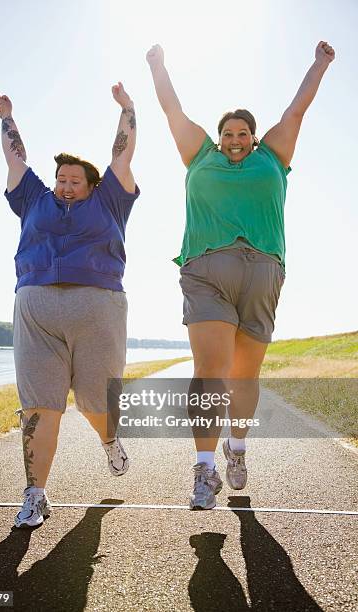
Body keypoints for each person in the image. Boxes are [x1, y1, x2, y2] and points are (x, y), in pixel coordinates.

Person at [146, 41, 335, 509]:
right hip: (206, 270)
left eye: (242, 133)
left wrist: (319, 64)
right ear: (218, 136)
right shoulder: (200, 157)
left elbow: (296, 111)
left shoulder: (272, 158)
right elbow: (172, 111)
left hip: (263, 273)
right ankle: (204, 468)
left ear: (253, 137)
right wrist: (158, 66)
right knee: (210, 371)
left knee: (245, 378)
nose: (235, 139)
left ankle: (238, 447)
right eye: (228, 132)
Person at [0, 83, 139, 527]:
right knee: (40, 405)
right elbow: (15, 157)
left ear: (92, 185)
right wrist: (7, 115)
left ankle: (109, 439)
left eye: (75, 180)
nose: (65, 185)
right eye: (61, 179)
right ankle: (35, 494)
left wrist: (128, 110)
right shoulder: (34, 199)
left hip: (98, 309)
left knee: (96, 403)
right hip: (36, 308)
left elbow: (122, 155)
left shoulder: (110, 200)